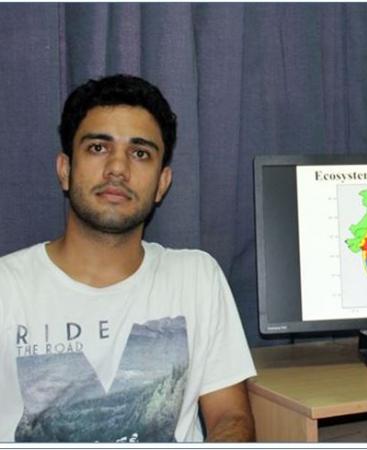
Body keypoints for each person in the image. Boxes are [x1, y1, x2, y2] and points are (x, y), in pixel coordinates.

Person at [0, 74, 256, 442]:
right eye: (98, 148)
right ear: (65, 170)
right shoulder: (7, 288)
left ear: (162, 183)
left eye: (140, 153)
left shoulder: (196, 277)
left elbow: (231, 418)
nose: (118, 168)